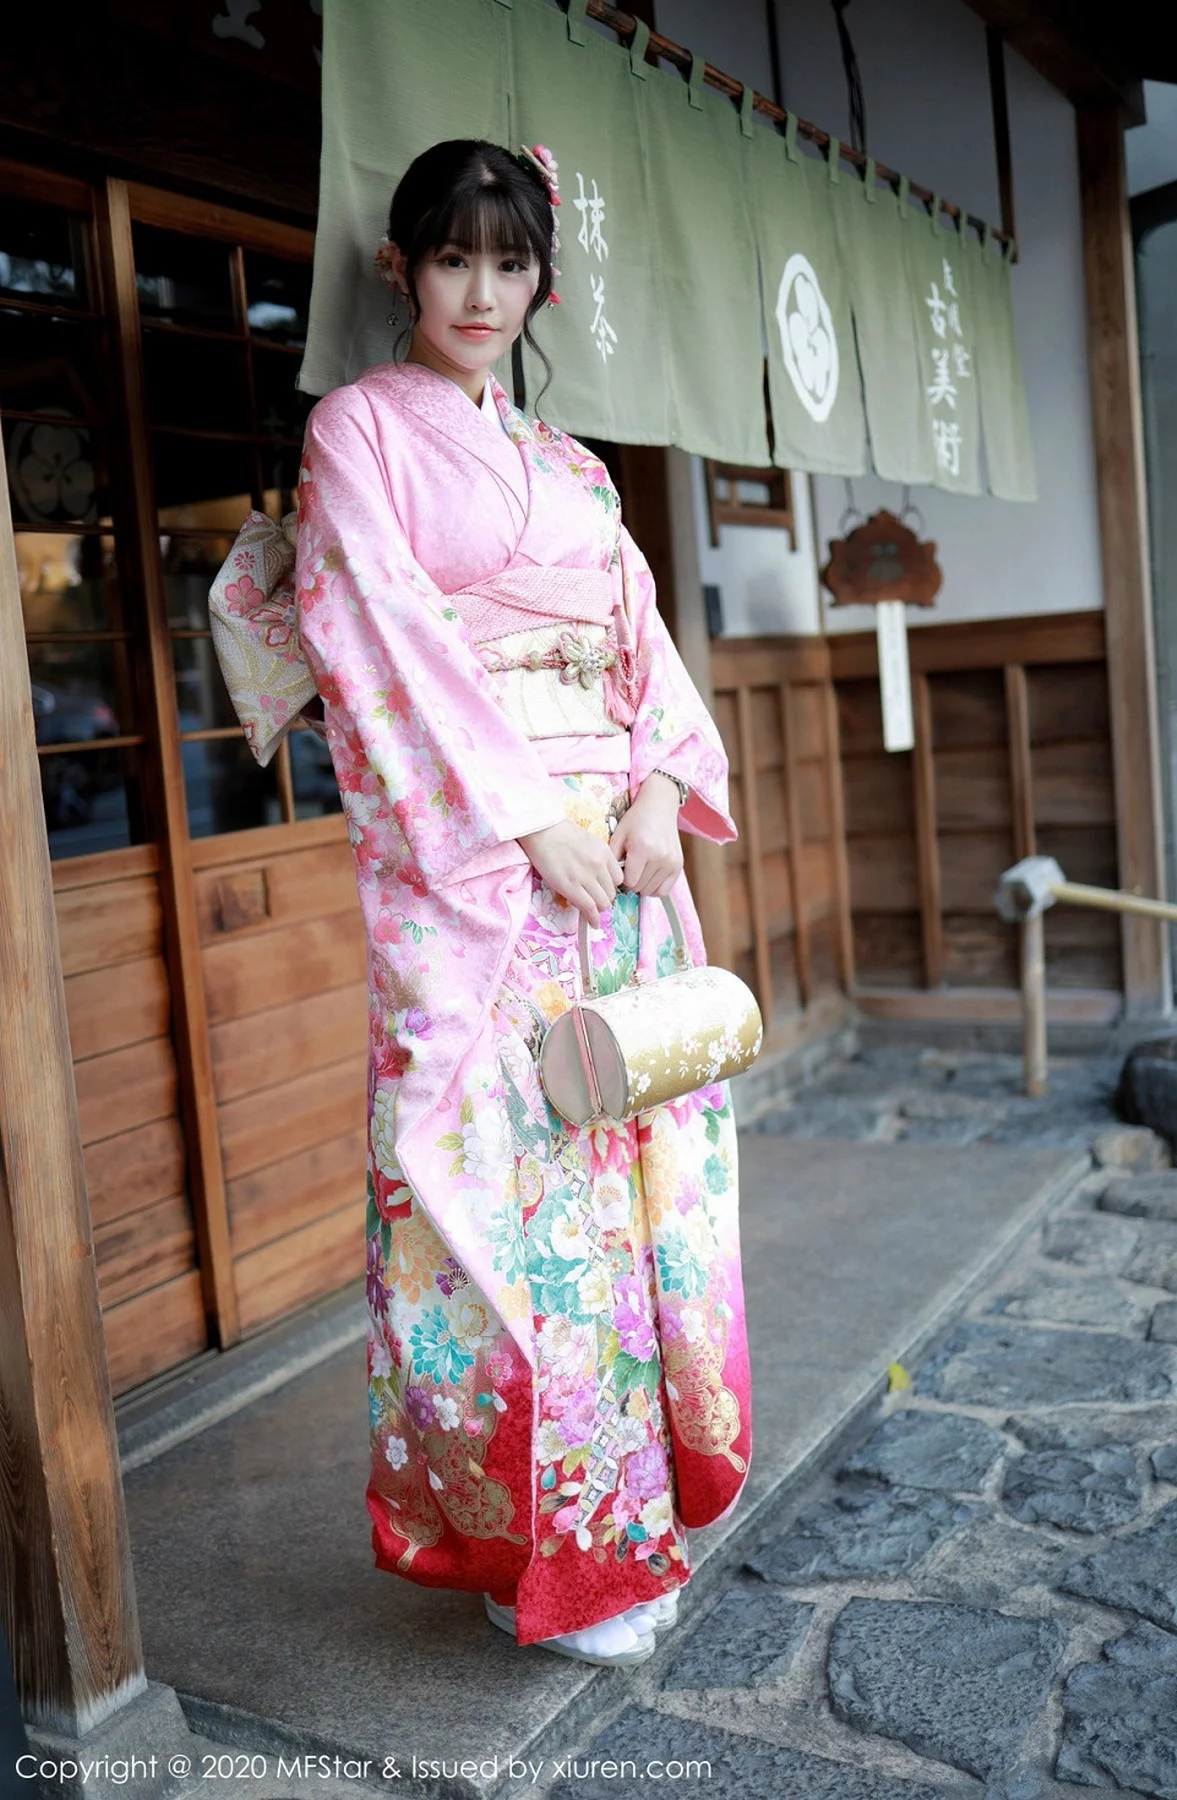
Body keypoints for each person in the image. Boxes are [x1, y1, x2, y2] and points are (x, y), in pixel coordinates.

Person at [209, 139, 751, 1668]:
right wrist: (527, 822)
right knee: (519, 1211)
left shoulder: (573, 469)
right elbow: (377, 633)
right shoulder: (357, 435)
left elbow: (641, 643)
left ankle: (626, 1523)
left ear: (541, 284)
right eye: (454, 258)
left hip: (616, 875)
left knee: (625, 1202)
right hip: (482, 883)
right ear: (403, 268)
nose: (481, 292)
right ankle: (555, 1553)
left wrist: (656, 795)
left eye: (511, 265)